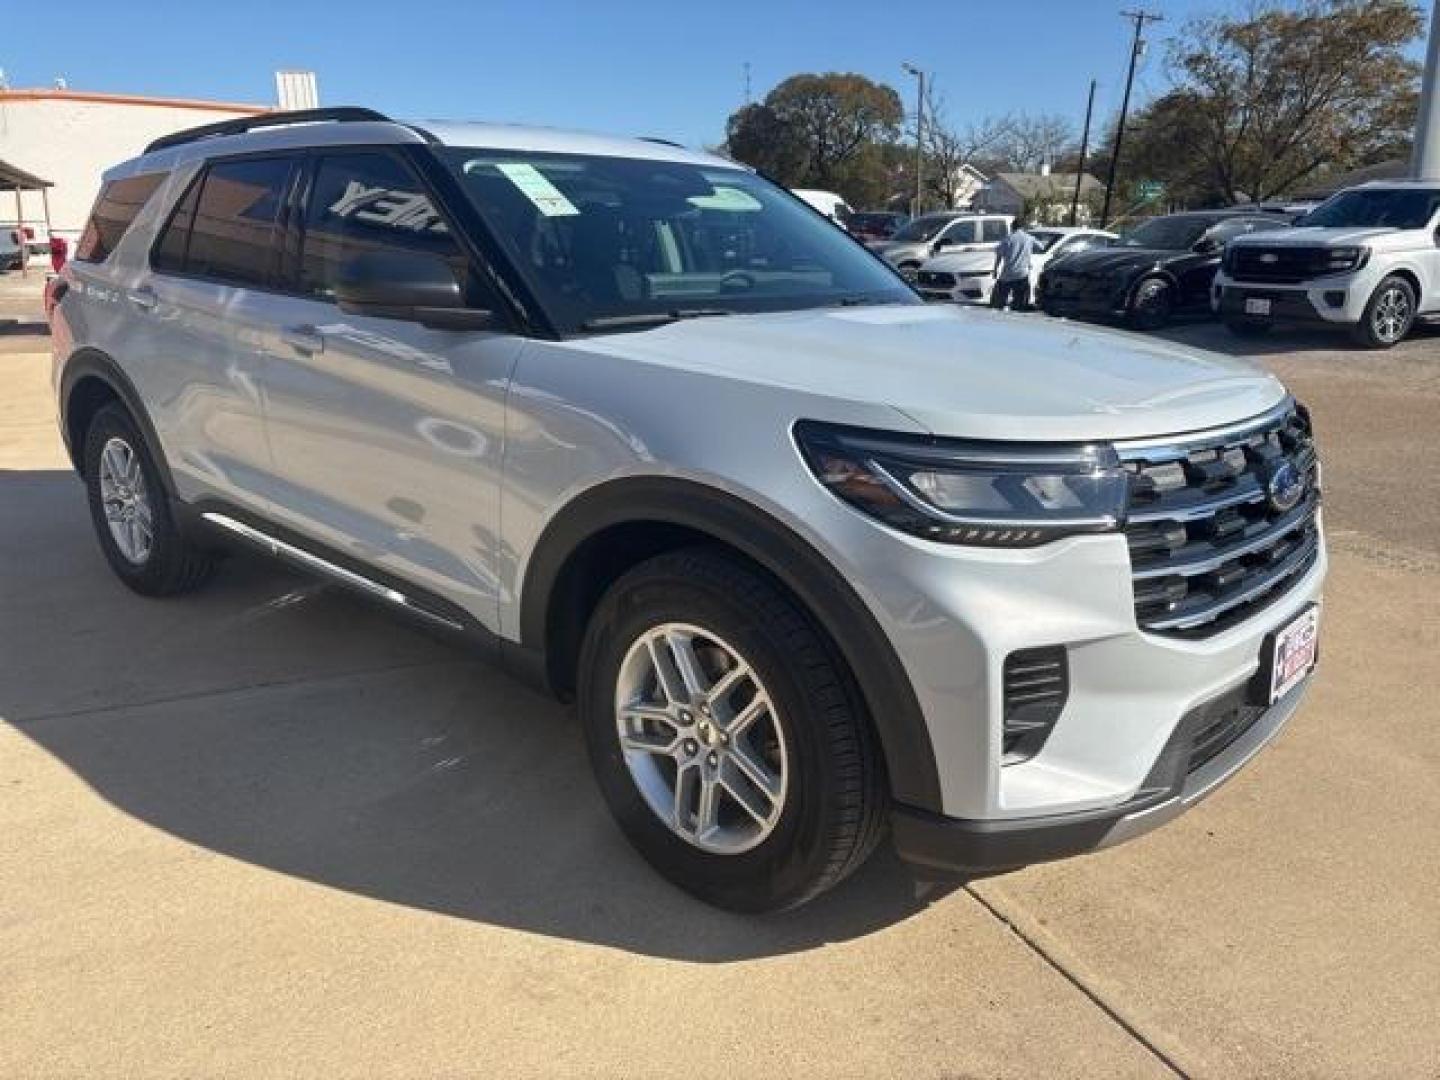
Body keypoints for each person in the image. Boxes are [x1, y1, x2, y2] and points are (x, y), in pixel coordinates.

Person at [990, 220, 1042, 311]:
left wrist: (995, 269)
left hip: (1007, 274)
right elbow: (1041, 247)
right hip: (1022, 274)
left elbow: (999, 255)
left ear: (1012, 227)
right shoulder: (1029, 238)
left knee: (998, 301)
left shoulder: (1008, 239)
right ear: (1022, 227)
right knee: (1021, 301)